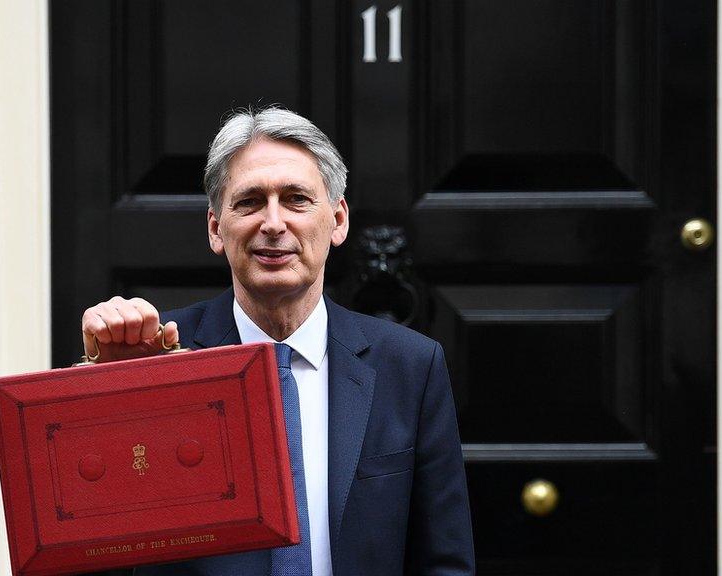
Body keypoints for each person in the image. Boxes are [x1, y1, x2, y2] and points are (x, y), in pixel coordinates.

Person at [81, 107, 474, 575]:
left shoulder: (410, 366)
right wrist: (100, 400)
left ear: (338, 220)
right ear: (215, 228)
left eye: (296, 199)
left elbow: (443, 562)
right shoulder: (155, 356)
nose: (272, 222)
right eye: (249, 201)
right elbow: (92, 557)